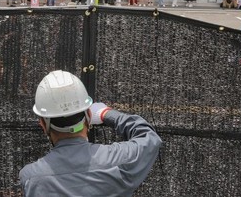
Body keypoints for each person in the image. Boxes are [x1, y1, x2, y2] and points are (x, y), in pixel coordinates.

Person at [19, 70, 161, 196]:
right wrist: (107, 114)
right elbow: (149, 137)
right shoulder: (119, 160)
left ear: (43, 124)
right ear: (88, 114)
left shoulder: (31, 179)